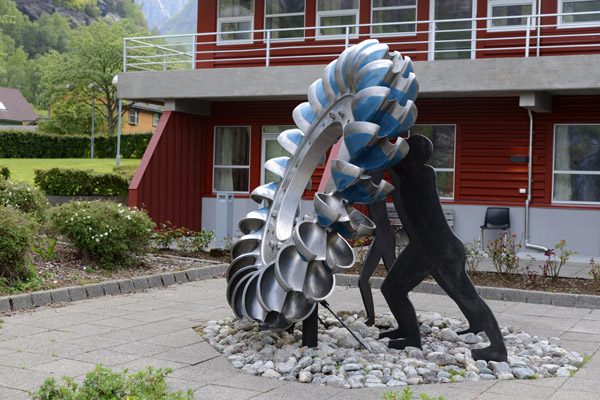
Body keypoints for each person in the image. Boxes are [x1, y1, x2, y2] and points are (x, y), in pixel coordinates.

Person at [379, 134, 507, 362]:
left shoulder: (417, 174)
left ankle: (497, 349)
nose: (399, 155)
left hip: (439, 248)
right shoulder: (418, 172)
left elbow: (387, 161)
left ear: (411, 157)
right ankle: (409, 330)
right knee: (392, 289)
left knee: (465, 296)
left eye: (404, 152)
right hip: (429, 245)